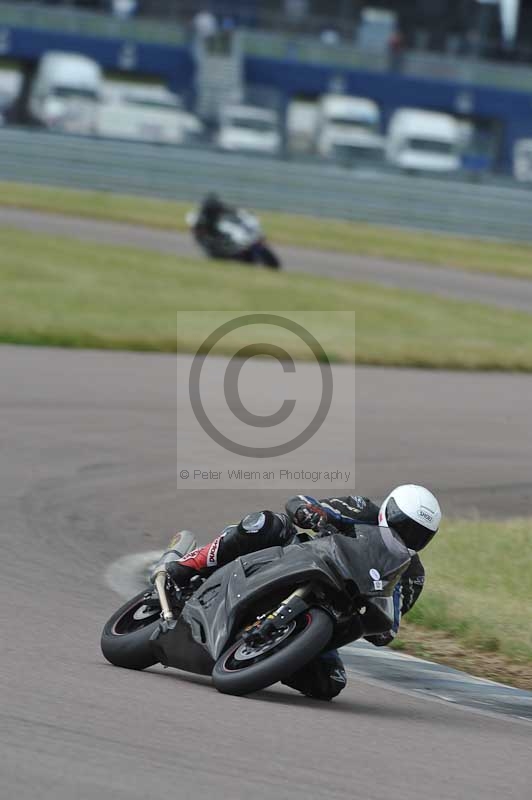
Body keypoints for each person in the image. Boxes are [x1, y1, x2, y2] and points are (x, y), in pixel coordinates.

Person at [152, 485, 441, 700]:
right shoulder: (360, 509)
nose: (407, 536)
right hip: (301, 560)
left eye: (418, 534)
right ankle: (190, 564)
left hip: (336, 608)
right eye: (402, 525)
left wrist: (383, 628)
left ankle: (271, 655)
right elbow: (300, 503)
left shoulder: (412, 575)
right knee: (266, 523)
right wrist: (310, 513)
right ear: (388, 510)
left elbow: (391, 621)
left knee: (330, 683)